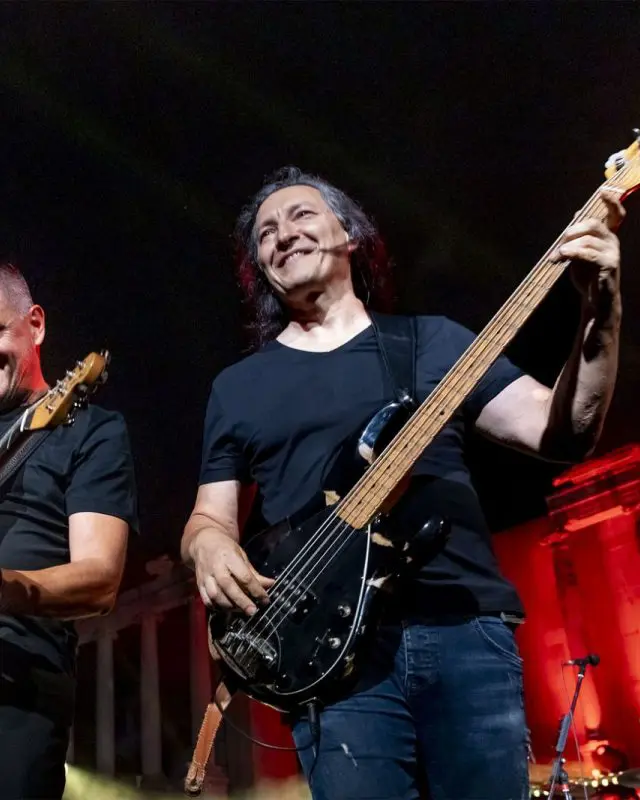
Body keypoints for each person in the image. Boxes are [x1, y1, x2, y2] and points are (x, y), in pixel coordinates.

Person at [182, 167, 623, 800]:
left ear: (350, 235)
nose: (283, 234)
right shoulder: (237, 388)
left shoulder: (432, 342)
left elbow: (563, 431)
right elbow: (210, 516)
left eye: (302, 215)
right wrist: (207, 545)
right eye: (265, 233)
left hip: (462, 629)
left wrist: (601, 310)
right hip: (330, 660)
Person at [0, 264, 138, 799]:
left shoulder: (90, 432)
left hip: (18, 690)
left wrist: (5, 587)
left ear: (34, 325)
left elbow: (100, 579)